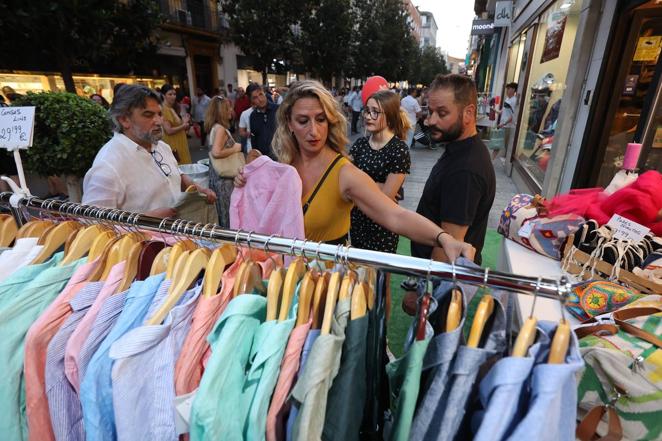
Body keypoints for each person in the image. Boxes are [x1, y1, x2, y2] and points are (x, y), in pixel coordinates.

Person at [234, 80, 474, 262]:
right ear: (289, 123)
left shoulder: (343, 173)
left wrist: (444, 238)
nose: (314, 131)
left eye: (321, 119)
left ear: (330, 121)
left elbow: (395, 215)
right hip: (281, 282)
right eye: (303, 120)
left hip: (324, 289)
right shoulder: (281, 168)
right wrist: (246, 180)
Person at [82, 85, 216, 217]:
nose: (158, 121)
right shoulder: (108, 165)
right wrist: (147, 220)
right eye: (148, 115)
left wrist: (200, 189)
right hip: (144, 239)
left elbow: (177, 175)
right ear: (124, 120)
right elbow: (93, 224)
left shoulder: (162, 146)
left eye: (159, 114)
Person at [411, 74, 496, 265]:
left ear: (468, 113)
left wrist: (423, 290)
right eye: (430, 111)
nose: (430, 121)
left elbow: (449, 246)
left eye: (441, 113)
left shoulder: (465, 169)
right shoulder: (460, 149)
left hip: (443, 280)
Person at [349, 89, 411, 253]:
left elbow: (386, 197)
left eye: (375, 112)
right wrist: (378, 185)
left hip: (383, 224)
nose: (368, 116)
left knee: (380, 276)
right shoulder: (360, 144)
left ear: (389, 115)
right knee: (357, 275)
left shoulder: (399, 149)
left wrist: (358, 186)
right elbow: (345, 180)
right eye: (367, 110)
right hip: (357, 221)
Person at [204, 96, 242, 228]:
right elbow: (216, 152)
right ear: (222, 111)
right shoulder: (220, 129)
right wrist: (236, 148)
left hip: (217, 178)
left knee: (221, 213)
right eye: (228, 108)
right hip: (225, 180)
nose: (231, 110)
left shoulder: (214, 127)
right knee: (228, 215)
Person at [160, 83, 192, 164]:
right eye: (170, 94)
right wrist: (183, 125)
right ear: (163, 95)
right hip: (173, 144)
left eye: (174, 94)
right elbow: (169, 130)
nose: (173, 96)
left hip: (180, 142)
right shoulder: (164, 109)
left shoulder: (171, 108)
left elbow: (179, 126)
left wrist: (185, 121)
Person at [247, 83, 278, 158]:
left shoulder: (278, 109)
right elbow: (254, 140)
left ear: (264, 93)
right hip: (263, 160)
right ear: (251, 101)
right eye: (255, 98)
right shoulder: (253, 116)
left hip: (281, 157)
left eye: (261, 94)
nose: (260, 99)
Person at [493, 82, 518, 160]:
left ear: (514, 90)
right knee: (498, 144)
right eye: (507, 89)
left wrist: (503, 124)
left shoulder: (514, 100)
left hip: (507, 126)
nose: (507, 90)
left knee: (502, 144)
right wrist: (495, 110)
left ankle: (493, 160)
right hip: (503, 125)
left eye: (509, 89)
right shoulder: (507, 99)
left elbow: (513, 116)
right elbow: (503, 111)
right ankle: (492, 160)